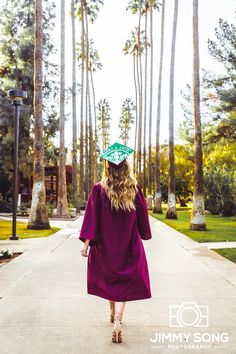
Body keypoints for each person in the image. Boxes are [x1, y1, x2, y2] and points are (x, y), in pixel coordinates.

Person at [78, 142, 152, 343]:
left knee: (111, 279)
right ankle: (118, 319)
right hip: (128, 246)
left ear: (108, 166)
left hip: (105, 247)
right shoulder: (134, 189)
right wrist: (144, 234)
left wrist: (86, 244)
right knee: (123, 283)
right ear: (126, 166)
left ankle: (112, 313)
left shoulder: (98, 190)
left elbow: (91, 219)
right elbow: (143, 219)